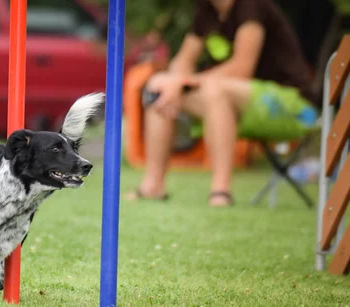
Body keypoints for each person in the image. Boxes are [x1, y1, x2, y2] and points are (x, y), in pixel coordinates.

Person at [126, 0, 319, 207]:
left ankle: (221, 190)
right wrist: (171, 82)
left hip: (293, 106)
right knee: (159, 89)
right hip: (237, 101)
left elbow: (241, 68)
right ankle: (153, 185)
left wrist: (181, 82)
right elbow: (183, 61)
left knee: (216, 90)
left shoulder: (251, 6)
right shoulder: (207, 10)